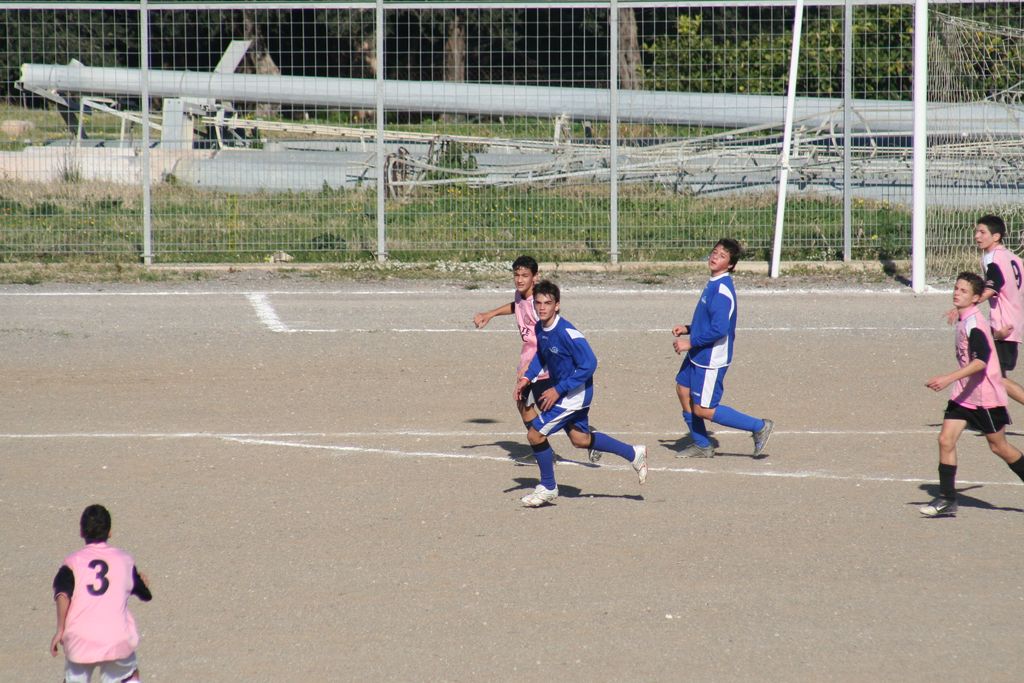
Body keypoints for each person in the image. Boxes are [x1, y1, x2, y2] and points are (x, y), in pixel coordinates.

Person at [513, 280, 647, 506]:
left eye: (548, 303)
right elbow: (541, 356)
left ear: (557, 305)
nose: (542, 307)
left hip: (574, 395)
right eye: (538, 303)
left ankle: (548, 487)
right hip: (565, 392)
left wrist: (558, 389)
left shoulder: (567, 333)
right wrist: (527, 377)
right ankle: (634, 453)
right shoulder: (540, 327)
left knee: (535, 434)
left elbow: (589, 364)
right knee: (580, 439)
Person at [923, 272, 1024, 517]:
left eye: (964, 291)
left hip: (984, 397)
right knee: (946, 440)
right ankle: (947, 499)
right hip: (964, 394)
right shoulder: (967, 317)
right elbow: (986, 336)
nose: (957, 293)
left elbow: (981, 362)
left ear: (976, 298)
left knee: (999, 447)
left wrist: (947, 378)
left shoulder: (974, 323)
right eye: (956, 288)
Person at [672, 238, 773, 458]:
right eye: (715, 252)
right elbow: (708, 322)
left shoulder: (722, 291)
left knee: (703, 409)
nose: (715, 257)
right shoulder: (714, 283)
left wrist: (690, 343)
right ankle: (702, 444)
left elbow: (719, 329)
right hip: (699, 353)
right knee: (683, 389)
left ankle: (758, 426)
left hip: (710, 358)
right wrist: (688, 329)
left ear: (731, 265)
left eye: (722, 256)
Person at [50, 504, 153, 682]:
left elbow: (62, 595)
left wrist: (60, 629)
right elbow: (145, 594)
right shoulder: (124, 560)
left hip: (80, 639)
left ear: (82, 532)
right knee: (129, 675)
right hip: (116, 638)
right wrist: (141, 583)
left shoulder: (72, 563)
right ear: (110, 532)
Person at [945, 215, 1024, 407]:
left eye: (982, 232)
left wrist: (966, 305)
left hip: (1003, 324)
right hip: (1014, 321)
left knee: (994, 376)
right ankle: (976, 413)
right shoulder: (1013, 257)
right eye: (976, 232)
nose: (977, 236)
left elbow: (993, 286)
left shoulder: (992, 258)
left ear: (996, 236)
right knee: (988, 373)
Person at [474, 255, 555, 428]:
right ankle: (539, 441)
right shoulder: (521, 294)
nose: (519, 280)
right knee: (522, 403)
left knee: (552, 410)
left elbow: (548, 339)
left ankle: (586, 436)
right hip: (529, 359)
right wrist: (490, 314)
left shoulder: (538, 304)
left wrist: (530, 367)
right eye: (516, 275)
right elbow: (517, 304)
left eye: (525, 276)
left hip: (543, 364)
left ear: (535, 277)